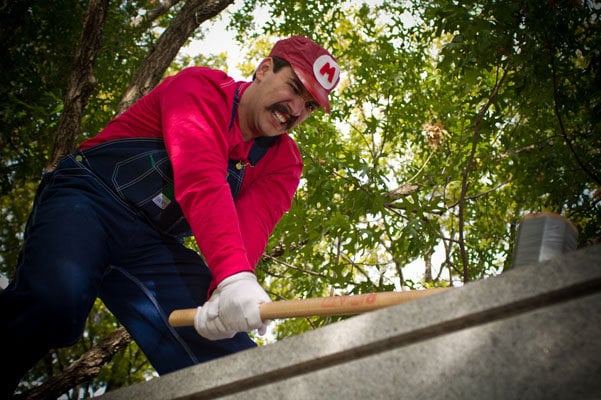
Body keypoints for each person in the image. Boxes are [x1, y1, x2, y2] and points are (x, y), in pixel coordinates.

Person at [0, 35, 340, 397]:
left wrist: (222, 298)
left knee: (228, 354)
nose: (296, 110)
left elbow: (250, 229)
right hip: (90, 196)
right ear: (264, 69)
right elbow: (201, 177)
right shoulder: (201, 87)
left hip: (152, 245)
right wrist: (232, 276)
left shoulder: (284, 161)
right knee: (53, 305)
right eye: (293, 88)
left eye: (309, 106)